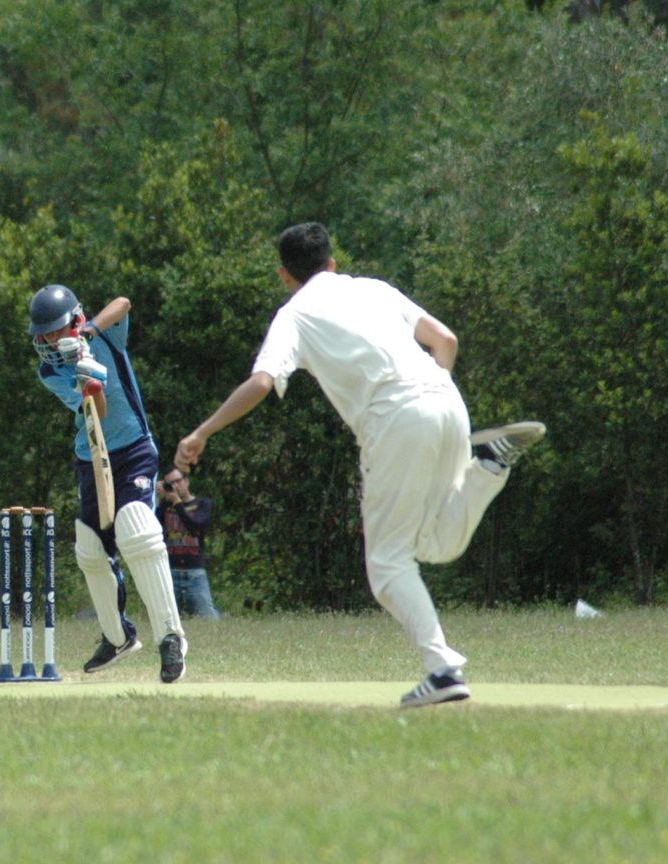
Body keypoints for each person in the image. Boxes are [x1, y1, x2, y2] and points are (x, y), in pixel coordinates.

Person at [174, 223, 545, 707]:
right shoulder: (372, 289)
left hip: (396, 416)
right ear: (331, 262)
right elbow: (445, 340)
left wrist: (201, 432)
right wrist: (432, 400)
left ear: (286, 276)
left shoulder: (295, 314)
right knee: (435, 543)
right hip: (446, 399)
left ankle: (442, 669)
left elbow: (262, 382)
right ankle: (489, 467)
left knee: (389, 566)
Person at [28, 284, 188, 683]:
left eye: (55, 330)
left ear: (75, 321)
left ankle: (171, 639)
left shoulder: (108, 335)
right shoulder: (50, 370)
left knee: (137, 527)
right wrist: (87, 380)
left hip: (134, 447)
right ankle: (117, 637)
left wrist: (90, 336)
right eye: (42, 333)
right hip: (91, 455)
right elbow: (94, 410)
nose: (48, 340)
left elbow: (124, 302)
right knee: (90, 548)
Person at [156, 467, 221, 619]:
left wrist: (177, 503)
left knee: (208, 618)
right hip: (170, 570)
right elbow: (153, 527)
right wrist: (157, 498)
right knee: (167, 618)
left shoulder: (203, 504)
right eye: (169, 484)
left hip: (194, 571)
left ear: (187, 481)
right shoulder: (165, 507)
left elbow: (195, 527)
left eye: (177, 482)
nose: (175, 487)